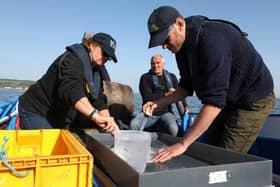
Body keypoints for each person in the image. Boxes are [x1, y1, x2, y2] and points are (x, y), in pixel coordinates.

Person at [144, 6, 275, 162]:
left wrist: (183, 144)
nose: (164, 46)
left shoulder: (212, 40)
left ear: (180, 24)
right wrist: (158, 103)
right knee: (208, 149)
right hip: (227, 100)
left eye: (166, 39)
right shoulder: (181, 48)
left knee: (223, 158)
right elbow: (186, 87)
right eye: (160, 43)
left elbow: (214, 102)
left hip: (252, 100)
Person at [18, 32, 120, 133]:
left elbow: (98, 99)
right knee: (52, 146)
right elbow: (71, 91)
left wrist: (110, 122)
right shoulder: (72, 59)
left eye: (109, 57)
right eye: (105, 53)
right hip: (36, 110)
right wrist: (95, 116)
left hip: (59, 115)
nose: (106, 58)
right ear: (92, 45)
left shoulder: (97, 70)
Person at [130, 54, 189, 136]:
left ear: (163, 64)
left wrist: (185, 105)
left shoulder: (172, 77)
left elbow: (179, 93)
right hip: (149, 113)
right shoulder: (145, 78)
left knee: (174, 129)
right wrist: (167, 94)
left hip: (166, 113)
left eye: (158, 63)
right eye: (153, 63)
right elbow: (147, 97)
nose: (155, 66)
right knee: (134, 124)